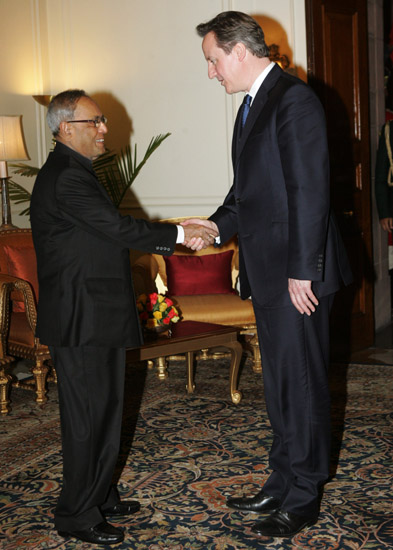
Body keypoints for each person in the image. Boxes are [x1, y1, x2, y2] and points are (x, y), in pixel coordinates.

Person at [184, 11, 353, 539]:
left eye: (212, 60)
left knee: (301, 383)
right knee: (280, 382)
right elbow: (247, 195)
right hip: (270, 270)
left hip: (295, 276)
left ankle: (303, 494)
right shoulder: (252, 107)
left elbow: (310, 192)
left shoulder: (293, 100)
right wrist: (213, 226)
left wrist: (304, 270)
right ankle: (281, 479)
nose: (212, 73)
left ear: (238, 50)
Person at [30, 89, 216, 546]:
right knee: (89, 417)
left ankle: (99, 494)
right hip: (82, 318)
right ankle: (76, 514)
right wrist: (178, 233)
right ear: (65, 128)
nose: (104, 129)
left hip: (95, 313)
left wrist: (176, 229)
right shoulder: (66, 177)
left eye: (103, 121)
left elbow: (101, 234)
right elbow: (116, 228)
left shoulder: (74, 171)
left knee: (106, 409)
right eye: (95, 122)